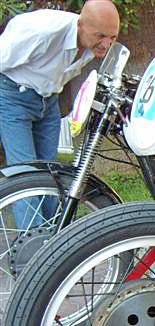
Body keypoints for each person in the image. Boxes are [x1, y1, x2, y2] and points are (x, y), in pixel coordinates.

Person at [0, 0, 120, 228]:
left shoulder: (92, 41)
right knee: (24, 175)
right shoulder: (42, 33)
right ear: (81, 24)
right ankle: (32, 245)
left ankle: (53, 237)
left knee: (51, 174)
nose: (107, 44)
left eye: (112, 37)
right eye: (101, 36)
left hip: (48, 99)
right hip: (13, 94)